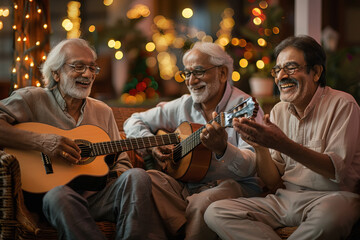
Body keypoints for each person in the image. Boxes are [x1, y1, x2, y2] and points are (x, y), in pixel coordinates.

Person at [0, 38, 166, 240]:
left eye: (92, 68)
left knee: (138, 176)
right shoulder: (31, 99)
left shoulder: (102, 111)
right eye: (78, 67)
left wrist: (104, 172)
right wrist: (41, 142)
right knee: (58, 195)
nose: (87, 74)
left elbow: (121, 162)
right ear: (56, 73)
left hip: (96, 198)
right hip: (49, 197)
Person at [204, 35, 360, 240]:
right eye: (277, 70)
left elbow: (335, 170)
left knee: (334, 215)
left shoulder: (343, 104)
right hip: (286, 200)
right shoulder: (278, 111)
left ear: (316, 72)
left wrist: (282, 144)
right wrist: (260, 148)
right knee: (216, 212)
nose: (281, 76)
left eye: (291, 67)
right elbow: (273, 180)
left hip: (331, 199)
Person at [123, 41, 264, 240]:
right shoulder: (183, 104)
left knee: (202, 203)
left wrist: (223, 149)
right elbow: (133, 121)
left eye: (198, 72)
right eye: (187, 74)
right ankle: (183, 228)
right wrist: (154, 144)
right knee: (145, 181)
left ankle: (179, 226)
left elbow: (253, 165)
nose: (191, 81)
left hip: (235, 185)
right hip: (189, 185)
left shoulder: (243, 108)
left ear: (223, 74)